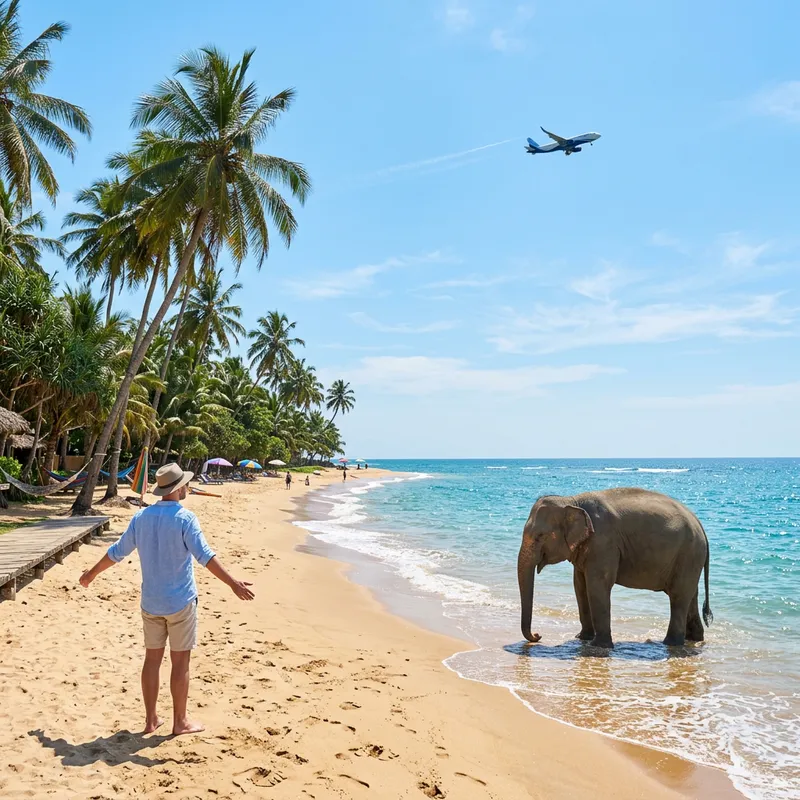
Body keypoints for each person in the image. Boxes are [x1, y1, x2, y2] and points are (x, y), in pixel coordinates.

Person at [79, 463, 254, 736]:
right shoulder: (185, 519)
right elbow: (205, 556)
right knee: (180, 663)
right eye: (185, 484)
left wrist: (91, 574)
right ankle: (179, 722)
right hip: (180, 602)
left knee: (152, 660)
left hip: (151, 603)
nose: (187, 487)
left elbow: (117, 552)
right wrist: (233, 583)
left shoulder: (141, 518)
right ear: (179, 488)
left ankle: (151, 720)